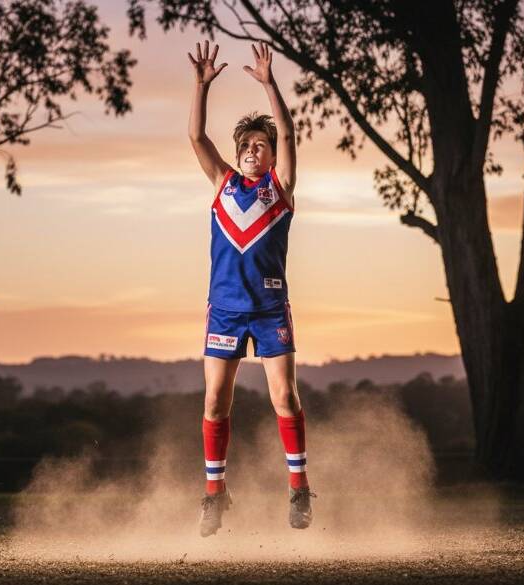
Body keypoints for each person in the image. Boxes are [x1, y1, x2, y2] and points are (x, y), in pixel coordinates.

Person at [187, 40, 315, 537]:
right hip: (224, 311)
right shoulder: (222, 184)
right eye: (246, 146)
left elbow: (287, 130)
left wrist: (268, 82)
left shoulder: (279, 189)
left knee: (285, 397)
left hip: (268, 309)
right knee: (215, 401)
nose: (252, 151)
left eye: (260, 145)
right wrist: (200, 86)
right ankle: (215, 495)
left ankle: (299, 489)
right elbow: (196, 135)